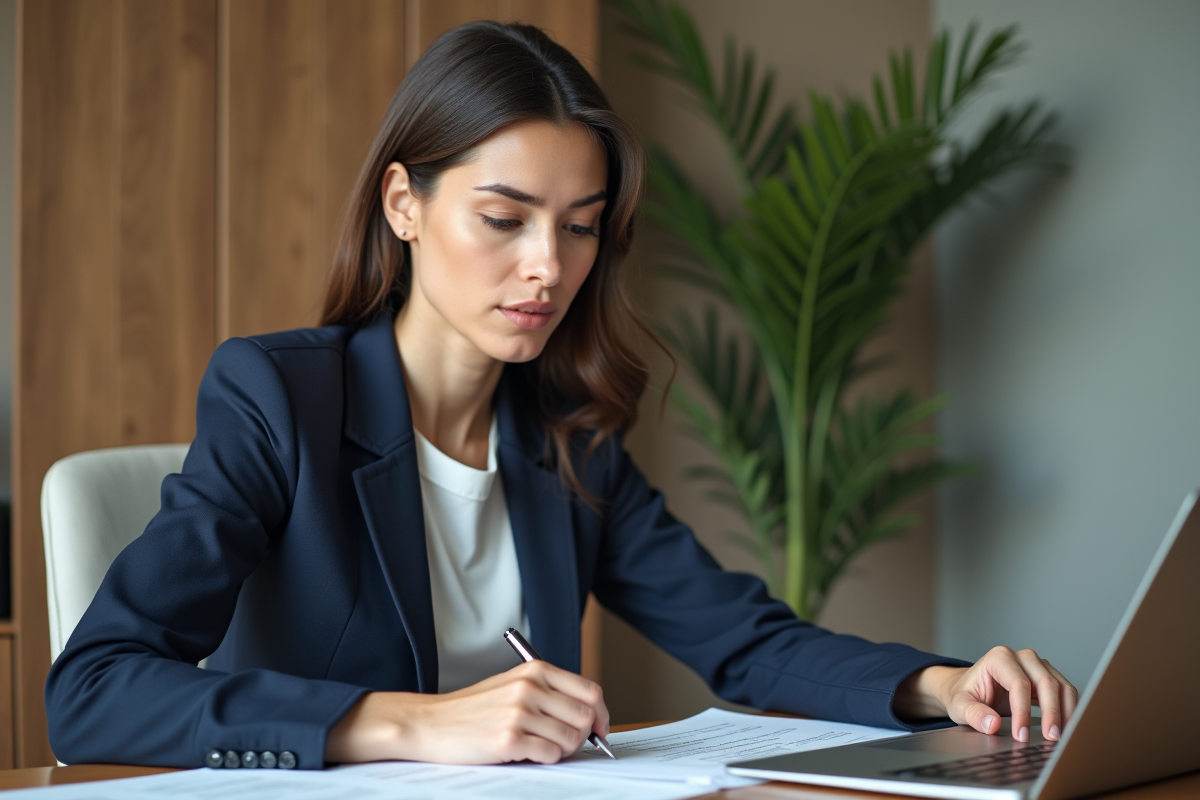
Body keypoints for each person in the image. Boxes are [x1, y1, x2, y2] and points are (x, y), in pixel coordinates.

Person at [45, 21, 1077, 770]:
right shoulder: (275, 395)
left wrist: (937, 685)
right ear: (405, 203)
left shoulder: (562, 435)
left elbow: (742, 638)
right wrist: (408, 719)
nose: (548, 265)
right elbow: (90, 691)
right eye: (505, 217)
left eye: (579, 225)